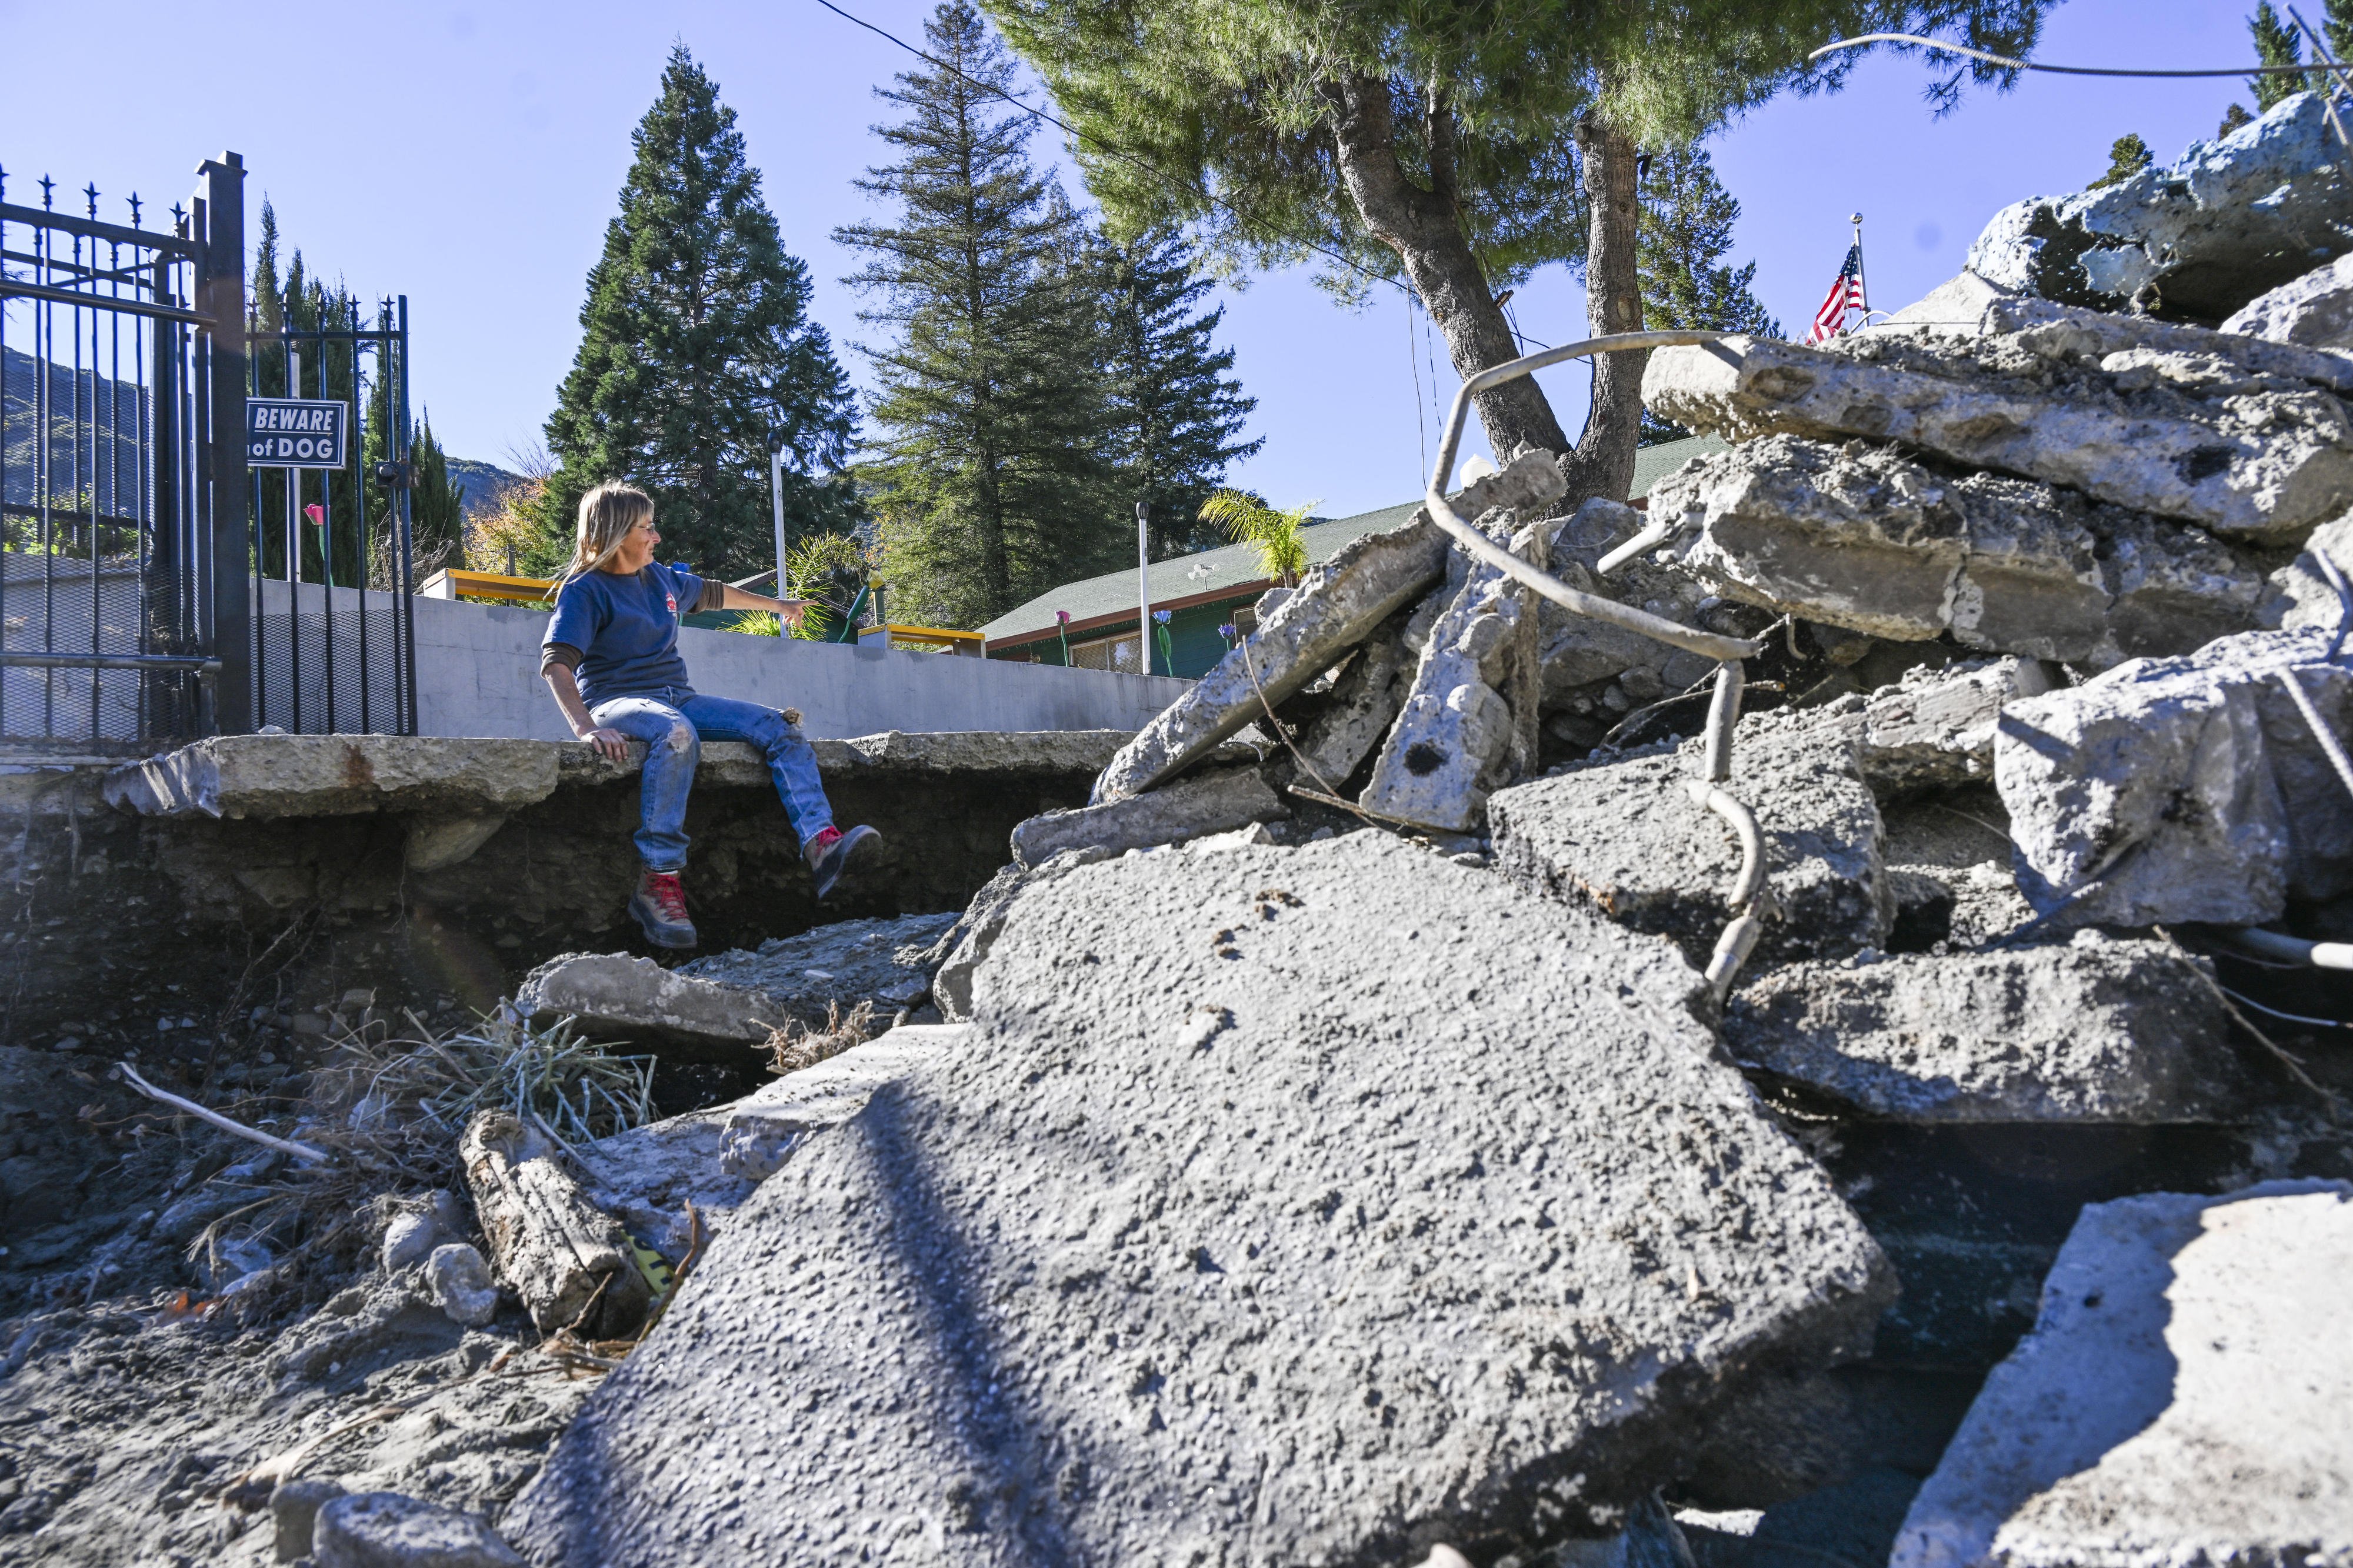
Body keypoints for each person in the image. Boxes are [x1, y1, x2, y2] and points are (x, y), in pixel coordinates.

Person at [539, 480, 878, 949]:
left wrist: (780, 606)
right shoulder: (585, 591)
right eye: (647, 528)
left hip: (677, 695)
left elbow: (717, 594)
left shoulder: (660, 579)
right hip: (619, 700)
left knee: (779, 726)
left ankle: (822, 845)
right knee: (677, 736)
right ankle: (658, 881)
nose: (656, 537)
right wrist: (586, 727)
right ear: (615, 533)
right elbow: (557, 664)